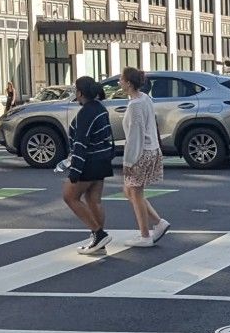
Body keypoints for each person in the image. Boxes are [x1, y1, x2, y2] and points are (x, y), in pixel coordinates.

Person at [58, 75, 115, 257]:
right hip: (102, 160)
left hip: (88, 162)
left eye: (76, 90)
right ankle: (99, 242)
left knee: (70, 196)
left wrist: (75, 170)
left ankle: (98, 234)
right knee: (93, 200)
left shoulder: (86, 113)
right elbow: (107, 137)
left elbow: (81, 143)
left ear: (80, 93)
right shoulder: (100, 108)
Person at [120, 65, 169, 248]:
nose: (120, 82)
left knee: (135, 192)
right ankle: (158, 223)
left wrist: (129, 161)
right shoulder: (144, 98)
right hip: (150, 149)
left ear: (129, 83)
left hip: (141, 153)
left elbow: (135, 135)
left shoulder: (135, 105)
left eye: (122, 79)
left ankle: (145, 234)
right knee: (130, 191)